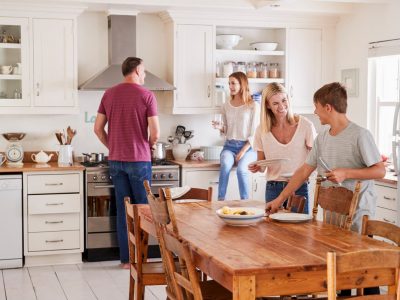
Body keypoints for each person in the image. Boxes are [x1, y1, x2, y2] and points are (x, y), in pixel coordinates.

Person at [265, 82, 385, 234]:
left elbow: (380, 171)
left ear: (328, 108)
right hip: (332, 214)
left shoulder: (360, 135)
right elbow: (303, 172)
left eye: (316, 106)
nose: (315, 111)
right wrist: (279, 200)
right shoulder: (322, 138)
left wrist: (346, 173)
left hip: (358, 215)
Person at [94, 57, 160, 269]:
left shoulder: (108, 93)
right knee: (142, 210)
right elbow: (156, 132)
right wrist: (149, 146)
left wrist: (111, 146)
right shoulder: (147, 95)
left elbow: (97, 129)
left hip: (116, 160)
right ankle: (141, 259)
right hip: (139, 161)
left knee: (124, 210)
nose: (146, 75)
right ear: (138, 70)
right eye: (145, 71)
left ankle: (126, 260)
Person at [248, 82, 316, 213]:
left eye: (284, 100)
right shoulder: (261, 130)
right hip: (274, 187)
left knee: (300, 231)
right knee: (273, 231)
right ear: (267, 105)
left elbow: (315, 159)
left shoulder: (305, 126)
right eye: (275, 103)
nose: (281, 107)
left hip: (299, 188)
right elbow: (262, 167)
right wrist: (257, 167)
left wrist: (302, 179)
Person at [212, 72, 259, 200]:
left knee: (241, 170)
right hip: (229, 146)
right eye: (229, 83)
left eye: (233, 83)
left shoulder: (253, 106)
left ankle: (245, 202)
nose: (230, 86)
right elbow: (226, 129)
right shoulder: (226, 105)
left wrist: (242, 152)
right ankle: (221, 200)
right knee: (225, 166)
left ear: (242, 84)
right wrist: (220, 127)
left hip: (248, 148)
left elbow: (255, 133)